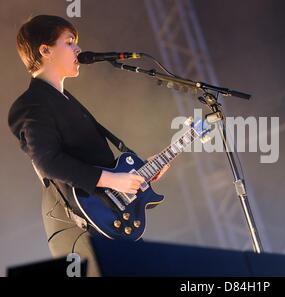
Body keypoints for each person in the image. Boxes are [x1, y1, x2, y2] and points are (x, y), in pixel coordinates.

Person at [8, 15, 169, 276]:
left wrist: (137, 173)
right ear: (45, 50)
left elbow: (91, 159)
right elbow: (48, 161)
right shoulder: (31, 103)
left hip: (101, 221)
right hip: (76, 225)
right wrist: (112, 181)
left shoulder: (65, 99)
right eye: (70, 42)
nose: (78, 49)